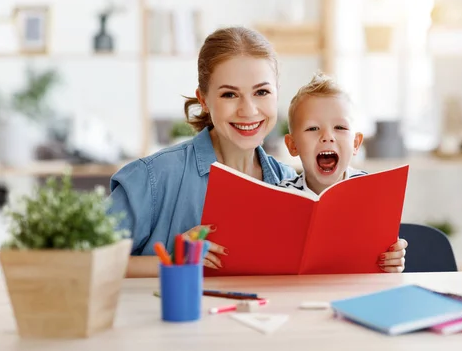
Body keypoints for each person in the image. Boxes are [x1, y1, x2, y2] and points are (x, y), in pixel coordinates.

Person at [107, 26, 407, 277]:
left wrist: (381, 261)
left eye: (261, 92)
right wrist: (171, 261)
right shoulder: (154, 178)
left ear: (276, 92)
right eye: (229, 94)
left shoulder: (290, 185)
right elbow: (79, 260)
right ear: (205, 99)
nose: (248, 110)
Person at [278, 72, 407, 273]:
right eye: (313, 128)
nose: (327, 136)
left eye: (339, 127)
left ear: (355, 143)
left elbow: (386, 261)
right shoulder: (280, 196)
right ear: (292, 145)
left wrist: (393, 260)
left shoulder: (373, 194)